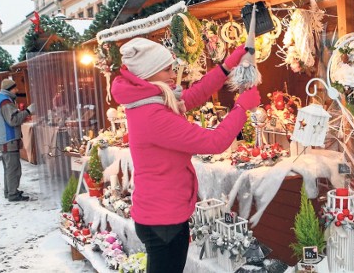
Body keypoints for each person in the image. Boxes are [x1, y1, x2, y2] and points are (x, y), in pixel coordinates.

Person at [111, 38, 260, 273]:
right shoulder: (153, 115)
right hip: (163, 220)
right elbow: (214, 142)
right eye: (167, 69)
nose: (173, 74)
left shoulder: (150, 100)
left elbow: (192, 96)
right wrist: (241, 109)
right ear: (150, 73)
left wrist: (226, 67)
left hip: (161, 213)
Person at [0, 79, 34, 201]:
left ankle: (9, 191)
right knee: (13, 168)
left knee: (9, 168)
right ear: (9, 89)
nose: (16, 90)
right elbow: (13, 120)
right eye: (14, 88)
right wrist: (28, 111)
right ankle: (13, 194)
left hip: (4, 139)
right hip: (8, 139)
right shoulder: (5, 101)